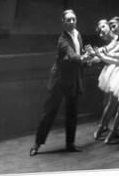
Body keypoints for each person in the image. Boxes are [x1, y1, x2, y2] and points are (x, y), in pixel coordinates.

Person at [30, 9, 89, 156]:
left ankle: (70, 144)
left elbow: (78, 56)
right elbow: (72, 55)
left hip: (73, 80)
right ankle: (37, 144)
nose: (71, 22)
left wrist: (86, 60)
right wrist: (84, 58)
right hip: (60, 81)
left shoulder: (78, 35)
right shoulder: (62, 39)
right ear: (63, 22)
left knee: (72, 113)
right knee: (49, 113)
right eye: (68, 20)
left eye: (73, 19)